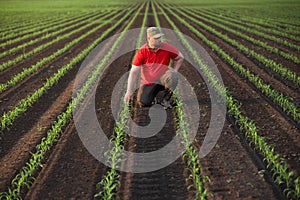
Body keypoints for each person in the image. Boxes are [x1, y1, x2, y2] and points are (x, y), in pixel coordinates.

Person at [124, 27, 184, 109]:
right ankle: (153, 95)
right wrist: (129, 91)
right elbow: (134, 71)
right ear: (148, 38)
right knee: (143, 102)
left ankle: (165, 99)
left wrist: (175, 70)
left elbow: (180, 57)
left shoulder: (166, 47)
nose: (159, 40)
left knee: (172, 76)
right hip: (148, 82)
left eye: (160, 37)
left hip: (163, 79)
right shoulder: (142, 52)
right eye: (156, 38)